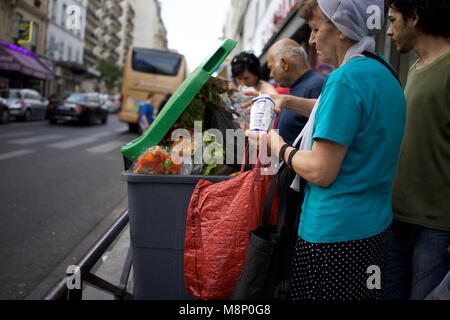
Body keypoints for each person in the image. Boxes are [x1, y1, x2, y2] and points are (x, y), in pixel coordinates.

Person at [244, 0, 406, 300]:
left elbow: (321, 170)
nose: (313, 39)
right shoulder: (384, 72)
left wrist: (277, 145)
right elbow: (342, 115)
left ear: (342, 29)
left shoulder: (344, 80)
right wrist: (287, 101)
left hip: (332, 237)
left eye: (317, 29)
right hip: (374, 230)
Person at [383, 0, 450, 300]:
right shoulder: (416, 67)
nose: (388, 31)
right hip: (398, 218)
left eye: (393, 20)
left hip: (437, 227)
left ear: (414, 18)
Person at [268, 39, 325, 145]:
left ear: (284, 63)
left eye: (271, 68)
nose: (271, 75)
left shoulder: (316, 86)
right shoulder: (297, 87)